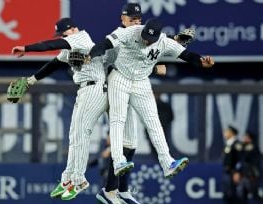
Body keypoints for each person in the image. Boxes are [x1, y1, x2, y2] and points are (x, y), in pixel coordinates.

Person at [96, 3, 194, 204]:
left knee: (131, 144)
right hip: (110, 85)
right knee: (119, 128)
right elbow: (111, 62)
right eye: (132, 19)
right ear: (123, 19)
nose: (136, 22)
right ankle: (112, 186)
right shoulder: (120, 35)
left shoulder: (142, 36)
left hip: (133, 84)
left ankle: (119, 190)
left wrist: (170, 46)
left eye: (138, 19)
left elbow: (146, 54)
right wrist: (156, 63)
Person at [88, 18, 214, 181]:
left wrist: (201, 62)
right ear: (143, 29)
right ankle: (118, 160)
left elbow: (186, 55)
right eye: (146, 35)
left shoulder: (162, 41)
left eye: (152, 38)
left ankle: (167, 163)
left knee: (153, 121)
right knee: (118, 119)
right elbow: (105, 44)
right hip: (120, 77)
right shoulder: (129, 32)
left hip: (141, 81)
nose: (148, 40)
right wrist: (90, 55)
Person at [11, 18, 119, 202]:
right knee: (74, 135)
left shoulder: (80, 38)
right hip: (85, 90)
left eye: (64, 33)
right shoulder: (70, 47)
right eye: (61, 34)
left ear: (73, 29)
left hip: (95, 88)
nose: (62, 37)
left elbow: (52, 44)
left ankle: (79, 180)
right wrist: (30, 80)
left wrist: (26, 48)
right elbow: (53, 64)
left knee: (82, 134)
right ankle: (68, 178)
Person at [234, 131, 263, 204]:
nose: (243, 138)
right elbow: (241, 160)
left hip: (251, 175)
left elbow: (247, 155)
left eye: (245, 137)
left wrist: (240, 146)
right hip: (244, 175)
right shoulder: (245, 146)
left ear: (249, 138)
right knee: (240, 194)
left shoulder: (252, 146)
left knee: (254, 194)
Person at [221, 125, 241, 204]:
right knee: (227, 193)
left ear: (232, 133)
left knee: (233, 193)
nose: (225, 133)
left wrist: (237, 172)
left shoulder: (237, 144)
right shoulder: (229, 143)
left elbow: (240, 159)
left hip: (233, 173)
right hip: (227, 172)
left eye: (227, 132)